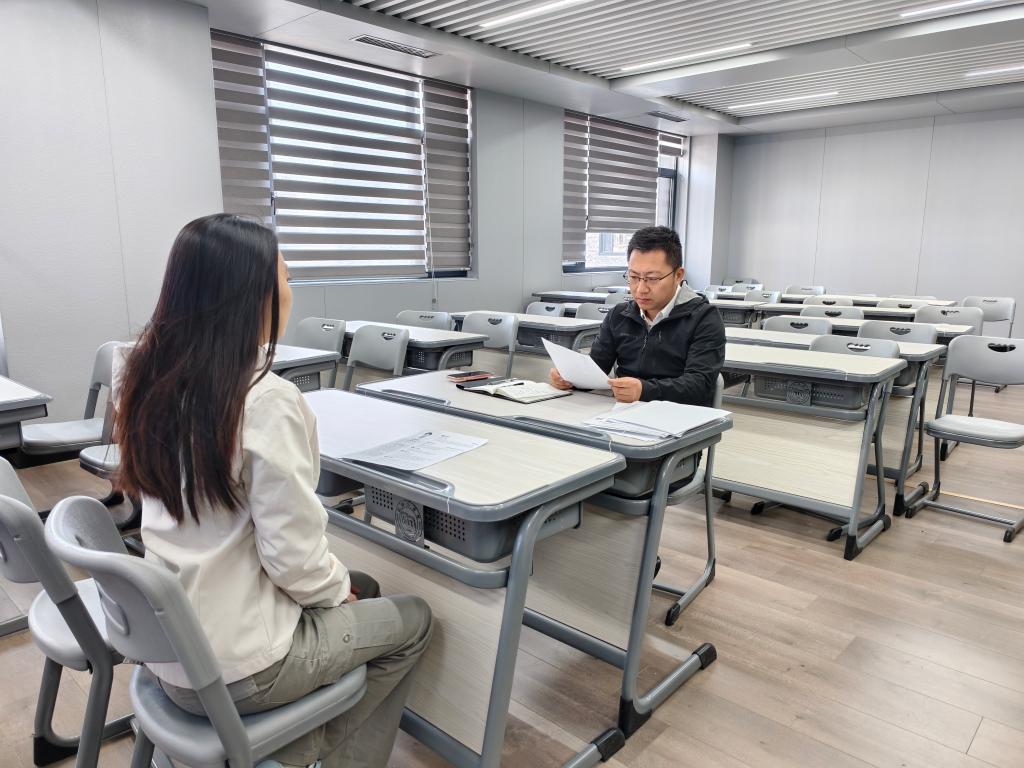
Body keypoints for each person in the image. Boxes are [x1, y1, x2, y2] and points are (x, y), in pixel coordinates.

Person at [115, 214, 432, 768]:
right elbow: (293, 558)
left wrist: (339, 589)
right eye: (284, 276)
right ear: (253, 296)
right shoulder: (263, 399)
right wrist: (334, 592)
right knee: (414, 619)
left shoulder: (146, 379)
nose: (290, 290)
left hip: (168, 647)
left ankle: (289, 742)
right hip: (240, 669)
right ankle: (303, 755)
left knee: (362, 585)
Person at [550, 226, 725, 406]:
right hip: (623, 412)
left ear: (678, 275)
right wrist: (570, 377)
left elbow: (700, 385)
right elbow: (596, 369)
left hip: (680, 415)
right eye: (633, 277)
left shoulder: (704, 318)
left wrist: (644, 390)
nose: (641, 289)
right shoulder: (619, 315)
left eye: (653, 278)